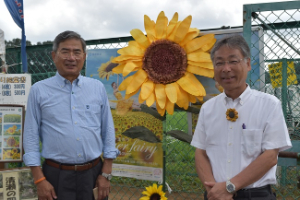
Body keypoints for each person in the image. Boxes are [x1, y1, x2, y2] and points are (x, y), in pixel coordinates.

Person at [191, 35, 292, 200]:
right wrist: (214, 190)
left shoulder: (269, 104)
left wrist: (229, 187)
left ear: (248, 63)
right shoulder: (208, 108)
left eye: (233, 61)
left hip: (256, 195)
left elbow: (270, 156)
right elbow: (200, 152)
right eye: (219, 63)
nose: (226, 68)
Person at [23, 30, 119, 200]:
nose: (71, 58)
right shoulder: (39, 90)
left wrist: (106, 173)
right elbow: (30, 136)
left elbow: (108, 130)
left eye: (77, 52)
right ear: (54, 56)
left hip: (94, 174)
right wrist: (39, 179)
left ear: (84, 56)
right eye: (65, 51)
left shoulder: (96, 88)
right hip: (55, 176)